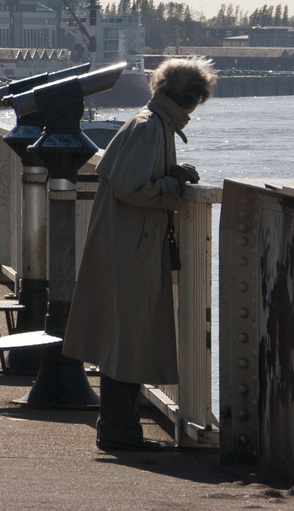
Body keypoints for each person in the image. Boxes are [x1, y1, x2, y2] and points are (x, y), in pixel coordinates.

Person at [64, 57, 214, 452]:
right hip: (133, 248)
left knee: (124, 337)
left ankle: (119, 428)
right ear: (193, 99)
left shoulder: (150, 122)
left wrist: (170, 173)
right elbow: (132, 186)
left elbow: (130, 177)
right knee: (127, 339)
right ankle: (118, 432)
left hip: (129, 243)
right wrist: (174, 184)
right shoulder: (152, 128)